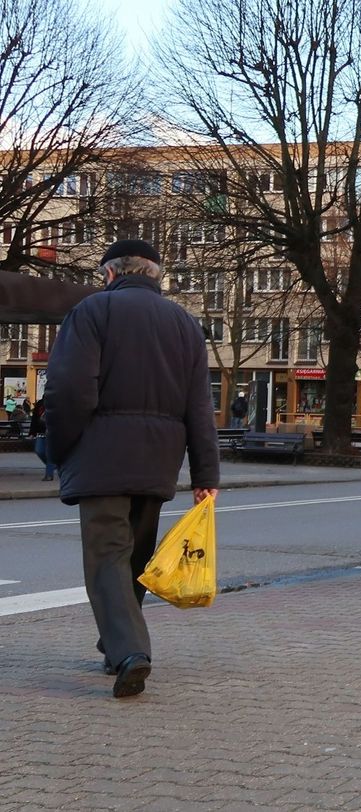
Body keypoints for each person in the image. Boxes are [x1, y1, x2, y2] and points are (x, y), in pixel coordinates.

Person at [45, 239, 220, 699]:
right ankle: (114, 646)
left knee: (106, 558)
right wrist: (206, 475)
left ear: (109, 273)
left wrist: (59, 447)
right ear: (154, 275)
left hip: (101, 456)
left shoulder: (92, 312)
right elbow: (200, 406)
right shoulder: (185, 324)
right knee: (135, 557)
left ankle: (129, 653)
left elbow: (68, 389)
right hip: (159, 459)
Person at [30, 400, 55, 481]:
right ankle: (53, 466)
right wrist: (32, 432)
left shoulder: (57, 401)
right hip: (41, 432)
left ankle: (49, 474)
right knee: (39, 450)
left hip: (52, 432)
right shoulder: (40, 403)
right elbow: (34, 418)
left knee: (49, 454)